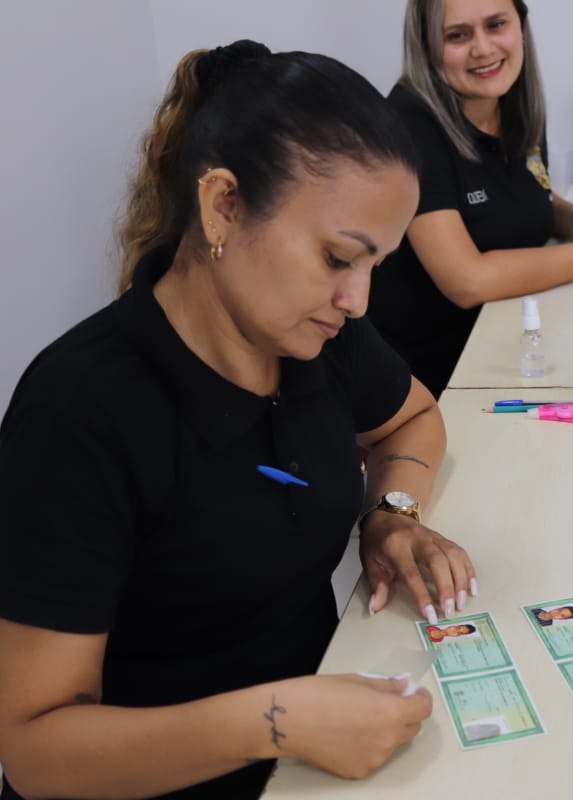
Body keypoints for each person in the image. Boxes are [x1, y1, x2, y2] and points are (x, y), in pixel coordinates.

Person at [0, 41, 476, 800]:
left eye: (374, 267)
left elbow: (413, 418)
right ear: (223, 205)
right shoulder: (80, 413)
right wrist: (274, 721)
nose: (357, 300)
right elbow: (33, 748)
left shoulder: (324, 339)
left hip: (310, 762)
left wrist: (390, 513)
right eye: (335, 258)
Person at [367, 0, 573, 396]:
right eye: (457, 35)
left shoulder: (513, 100)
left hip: (514, 334)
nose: (483, 48)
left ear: (522, 26)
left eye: (496, 25)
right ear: (425, 45)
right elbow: (467, 280)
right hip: (437, 380)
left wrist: (569, 218)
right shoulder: (409, 125)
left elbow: (512, 197)